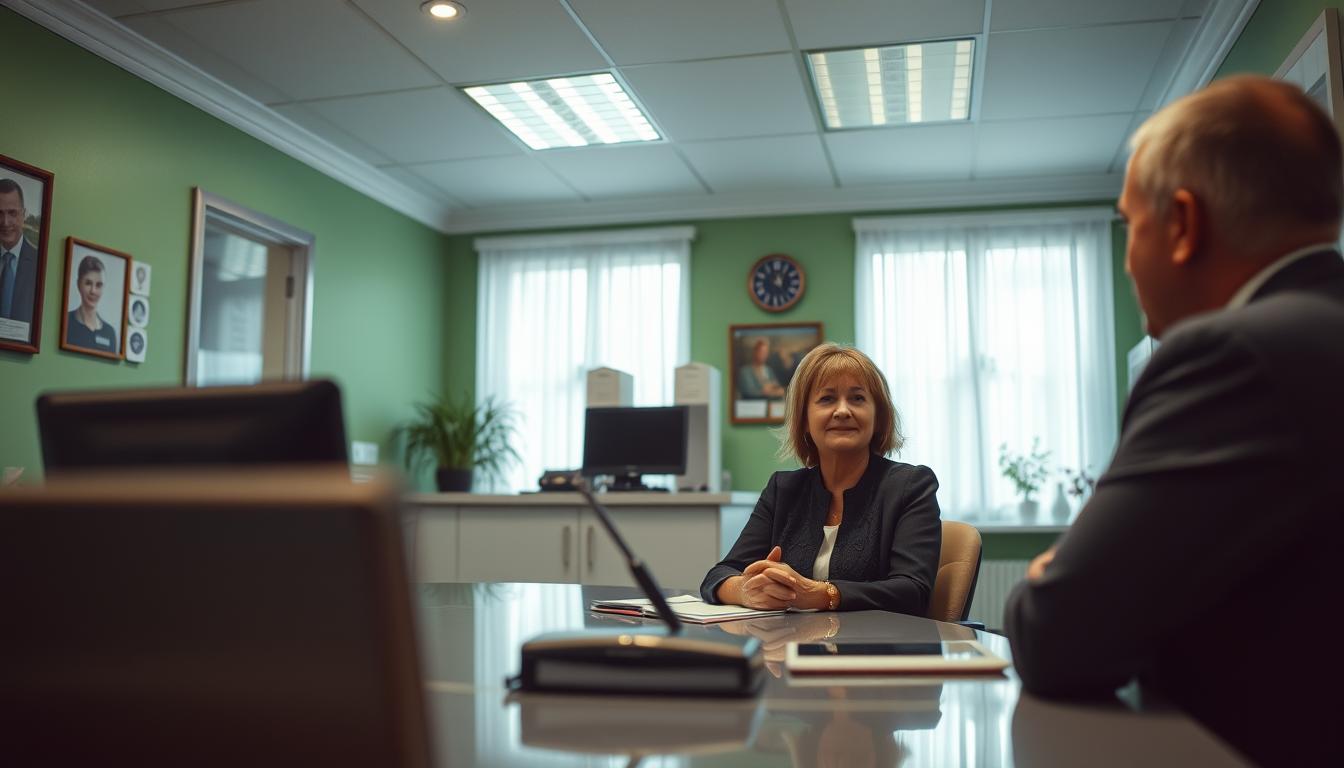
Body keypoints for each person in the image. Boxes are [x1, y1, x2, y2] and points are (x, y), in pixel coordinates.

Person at [1004, 75, 1344, 767]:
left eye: (1131, 226)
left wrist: (1053, 571)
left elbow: (1056, 635)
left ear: (1184, 225)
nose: (1130, 259)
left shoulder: (1232, 355)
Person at [703, 343, 941, 614]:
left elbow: (913, 590)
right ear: (804, 419)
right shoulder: (783, 489)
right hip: (789, 647)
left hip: (878, 650)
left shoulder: (911, 486)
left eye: (858, 398)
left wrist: (821, 595)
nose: (842, 411)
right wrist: (745, 590)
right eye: (827, 399)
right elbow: (718, 575)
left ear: (878, 416)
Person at [0, 178, 39, 331]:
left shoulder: (39, 263)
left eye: (12, 213)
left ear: (23, 214)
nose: (5, 222)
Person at [65, 255, 118, 354]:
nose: (93, 291)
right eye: (88, 283)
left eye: (99, 285)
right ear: (78, 284)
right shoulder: (65, 322)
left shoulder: (109, 333)